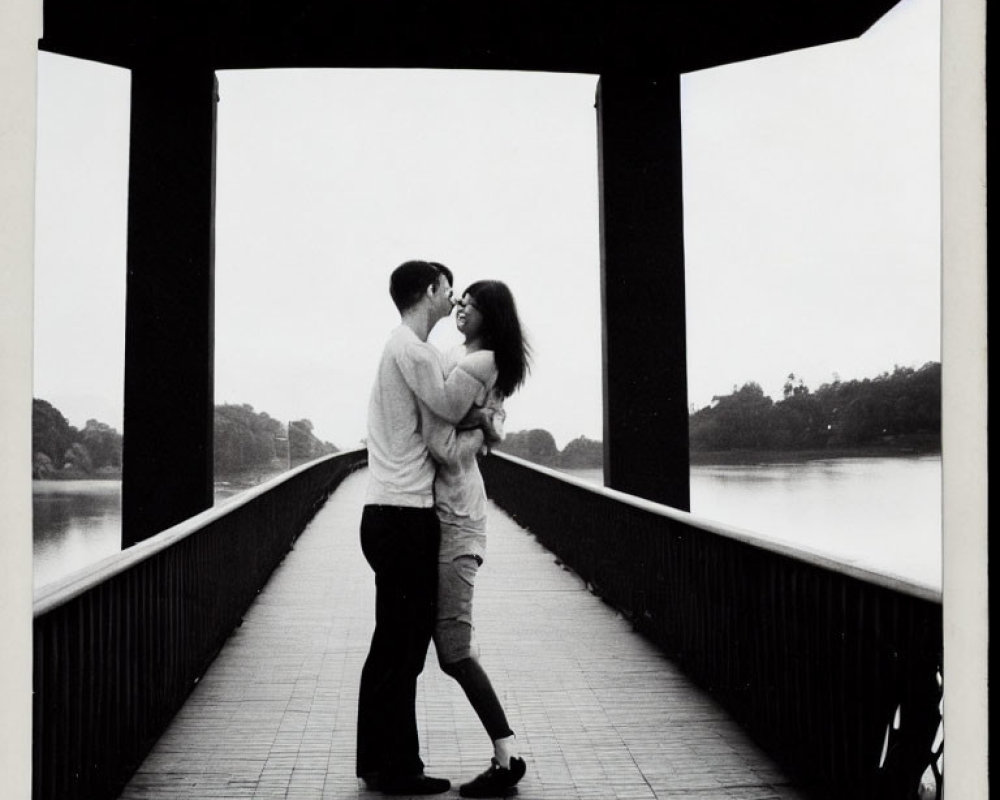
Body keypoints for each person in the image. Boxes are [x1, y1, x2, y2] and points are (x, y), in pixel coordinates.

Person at [357, 260, 495, 796]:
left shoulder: (406, 348)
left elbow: (441, 410)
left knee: (396, 642)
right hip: (402, 515)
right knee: (400, 645)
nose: (453, 298)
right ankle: (394, 769)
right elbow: (446, 403)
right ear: (428, 291)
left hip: (391, 513)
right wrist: (486, 421)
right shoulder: (413, 350)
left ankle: (385, 763)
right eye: (448, 289)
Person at [418, 280, 531, 798]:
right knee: (455, 646)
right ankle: (505, 753)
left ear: (492, 315)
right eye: (458, 299)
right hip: (456, 513)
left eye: (471, 303)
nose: (461, 306)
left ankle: (507, 758)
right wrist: (484, 424)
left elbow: (442, 447)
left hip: (459, 518)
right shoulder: (471, 361)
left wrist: (478, 428)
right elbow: (481, 424)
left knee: (455, 652)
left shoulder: (477, 365)